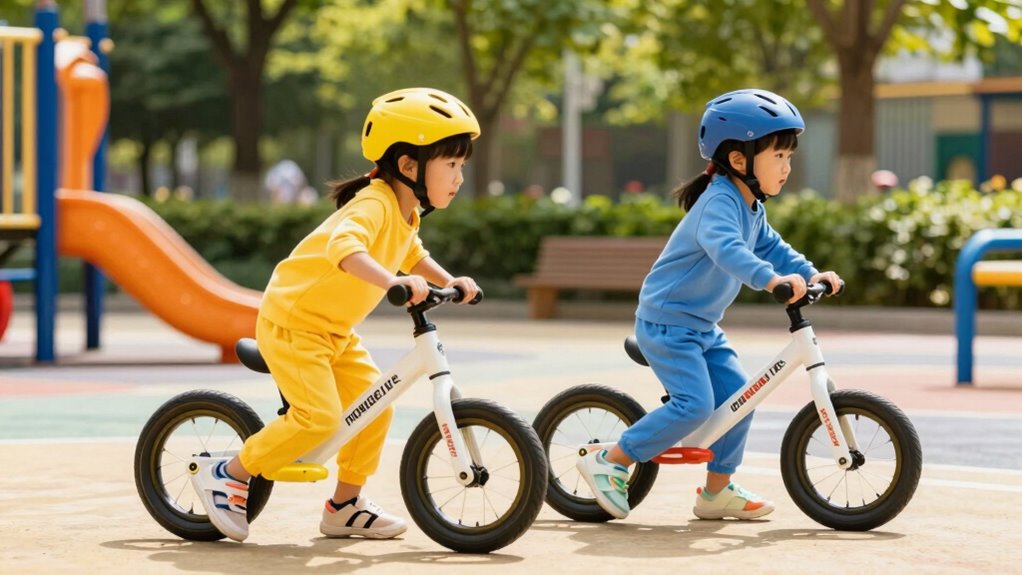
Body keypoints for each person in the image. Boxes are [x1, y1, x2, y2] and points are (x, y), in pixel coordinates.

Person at [189, 87, 482, 542]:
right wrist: (392, 282)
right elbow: (345, 249)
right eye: (451, 165)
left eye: (461, 166)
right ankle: (228, 474)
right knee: (318, 418)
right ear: (409, 166)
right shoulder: (374, 203)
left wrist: (452, 280)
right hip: (294, 322)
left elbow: (413, 253)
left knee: (376, 407)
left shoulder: (406, 213)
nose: (459, 177)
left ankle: (344, 506)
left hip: (334, 330)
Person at [575, 88, 842, 521]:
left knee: (741, 399)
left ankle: (716, 492)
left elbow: (773, 247)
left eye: (789, 157)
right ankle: (612, 460)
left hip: (701, 326)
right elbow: (728, 250)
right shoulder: (719, 201)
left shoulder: (751, 206)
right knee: (695, 405)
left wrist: (811, 273)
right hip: (666, 323)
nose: (787, 167)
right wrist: (770, 280)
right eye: (778, 156)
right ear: (739, 159)